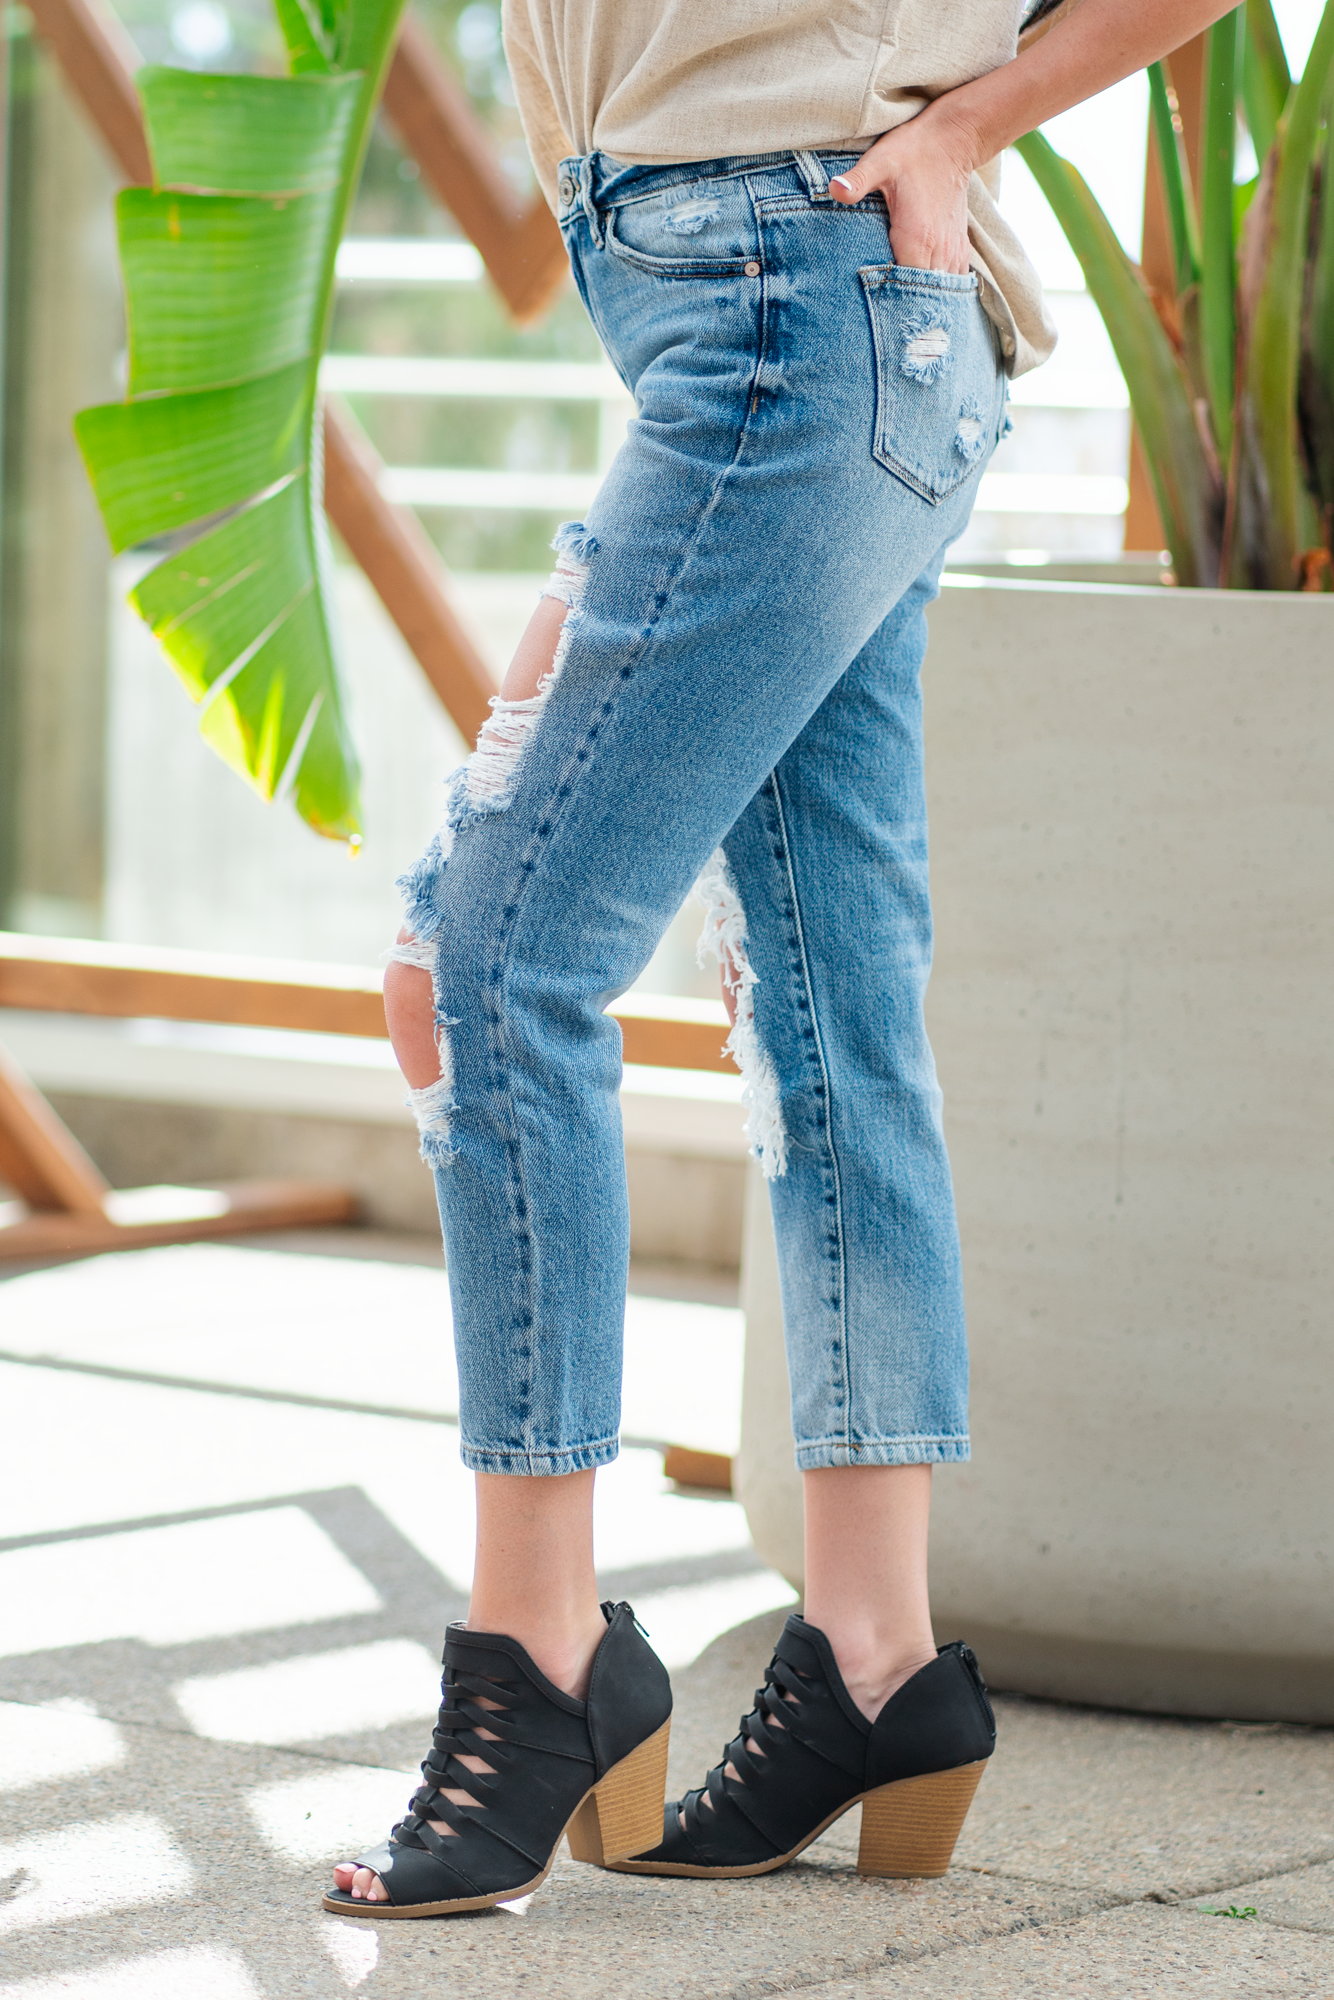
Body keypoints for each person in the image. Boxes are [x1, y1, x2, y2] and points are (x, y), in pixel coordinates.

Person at [324, 0, 1239, 1919]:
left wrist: (969, 123)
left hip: (790, 304)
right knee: (828, 1020)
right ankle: (875, 1661)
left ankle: (538, 1653)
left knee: (485, 974)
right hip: (758, 314)